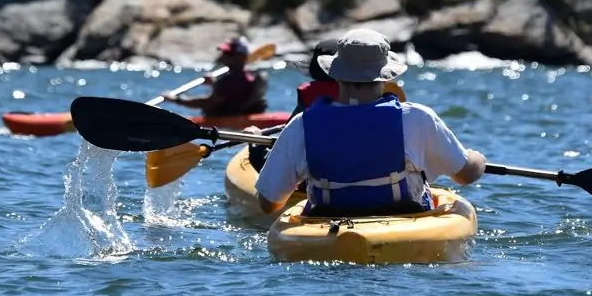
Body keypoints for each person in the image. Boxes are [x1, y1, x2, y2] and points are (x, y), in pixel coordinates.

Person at [253, 29, 487, 217]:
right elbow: (466, 175)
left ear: (335, 73)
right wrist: (477, 159)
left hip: (327, 226)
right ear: (387, 76)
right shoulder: (417, 118)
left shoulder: (302, 124)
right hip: (403, 225)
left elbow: (269, 204)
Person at [245, 39, 407, 171]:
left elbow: (282, 161)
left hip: (319, 187)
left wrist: (256, 143)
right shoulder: (403, 112)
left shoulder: (304, 117)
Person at [160, 37, 269, 117]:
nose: (222, 57)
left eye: (228, 54)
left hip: (229, 119)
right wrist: (215, 83)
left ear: (240, 57)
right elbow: (231, 94)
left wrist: (176, 100)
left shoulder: (231, 80)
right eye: (224, 53)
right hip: (245, 113)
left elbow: (208, 103)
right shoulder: (249, 75)